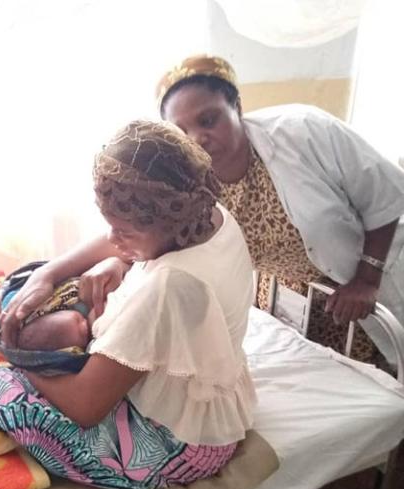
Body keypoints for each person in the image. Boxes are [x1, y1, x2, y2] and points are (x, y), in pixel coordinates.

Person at [0, 119, 256, 489]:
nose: (114, 239)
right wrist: (48, 275)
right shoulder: (207, 211)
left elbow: (86, 407)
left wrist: (17, 359)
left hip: (176, 441)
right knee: (26, 289)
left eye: (126, 233)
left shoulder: (171, 285)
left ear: (165, 221)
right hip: (195, 383)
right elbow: (123, 241)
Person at [153, 54, 404, 366]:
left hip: (362, 293)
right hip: (287, 303)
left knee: (382, 390)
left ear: (237, 107)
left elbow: (385, 195)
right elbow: (152, 229)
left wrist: (367, 278)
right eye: (182, 131)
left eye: (208, 120)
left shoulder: (304, 131)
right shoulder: (192, 180)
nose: (198, 139)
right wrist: (104, 266)